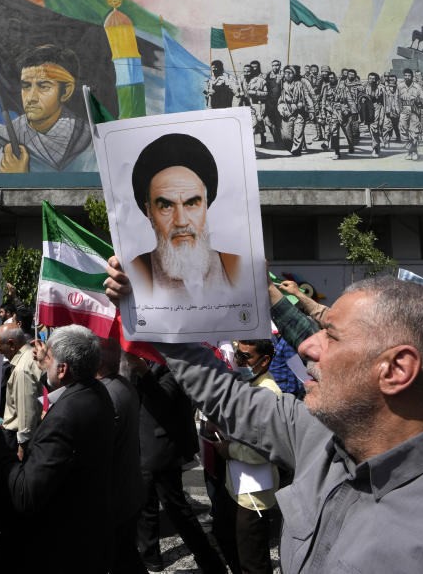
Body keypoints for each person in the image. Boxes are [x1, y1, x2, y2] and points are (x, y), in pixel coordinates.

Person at [104, 263, 423, 573]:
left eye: (331, 337)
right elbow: (224, 395)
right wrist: (151, 312)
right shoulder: (318, 435)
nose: (310, 351)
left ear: (396, 370)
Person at [0, 324, 116, 573]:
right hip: (88, 530)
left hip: (59, 544)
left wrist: (0, 448)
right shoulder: (97, 391)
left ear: (62, 369)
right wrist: (47, 370)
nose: (42, 359)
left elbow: (26, 495)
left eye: (48, 358)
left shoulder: (64, 417)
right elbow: (66, 391)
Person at [129, 133, 241, 301]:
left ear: (205, 205)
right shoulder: (136, 273)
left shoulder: (237, 268)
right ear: (149, 212)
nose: (181, 221)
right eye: (166, 206)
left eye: (191, 203)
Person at [209, 339, 281, 574]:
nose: (239, 361)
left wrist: (227, 450)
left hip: (255, 494)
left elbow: (263, 449)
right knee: (231, 540)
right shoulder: (248, 383)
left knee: (253, 560)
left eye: (246, 357)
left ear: (265, 361)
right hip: (239, 484)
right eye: (238, 355)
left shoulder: (267, 394)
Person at [0, 43, 96, 173]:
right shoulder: (3, 139)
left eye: (44, 86)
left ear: (66, 92)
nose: (31, 97)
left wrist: (19, 180)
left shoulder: (90, 142)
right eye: (26, 86)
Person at [98, 338, 147, 574]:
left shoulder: (107, 394)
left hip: (116, 495)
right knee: (125, 555)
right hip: (128, 491)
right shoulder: (122, 385)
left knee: (121, 557)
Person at [0, 323, 40, 455]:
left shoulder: (22, 369)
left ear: (12, 344)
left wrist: (23, 444)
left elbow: (26, 410)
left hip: (17, 437)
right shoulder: (30, 355)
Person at [278, 65, 314, 156]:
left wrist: (311, 110)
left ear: (293, 74)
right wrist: (282, 109)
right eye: (285, 73)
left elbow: (307, 97)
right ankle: (291, 147)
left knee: (298, 132)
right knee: (286, 137)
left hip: (299, 112)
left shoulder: (300, 84)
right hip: (287, 112)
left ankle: (296, 150)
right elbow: (279, 100)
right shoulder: (282, 84)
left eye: (289, 73)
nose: (287, 75)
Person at [398, 67, 423, 161]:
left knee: (414, 132)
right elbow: (397, 99)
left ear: (412, 76)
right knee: (403, 130)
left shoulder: (417, 87)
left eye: (409, 75)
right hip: (404, 110)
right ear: (403, 76)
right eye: (406, 75)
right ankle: (410, 149)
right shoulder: (400, 86)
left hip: (414, 111)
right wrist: (397, 110)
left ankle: (414, 152)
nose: (407, 77)